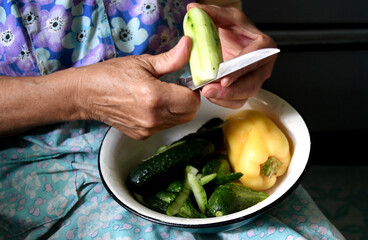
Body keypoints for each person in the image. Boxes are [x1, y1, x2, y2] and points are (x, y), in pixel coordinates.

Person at [0, 0, 345, 239]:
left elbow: (213, 6)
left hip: (194, 121)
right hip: (42, 157)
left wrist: (228, 40)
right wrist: (78, 96)